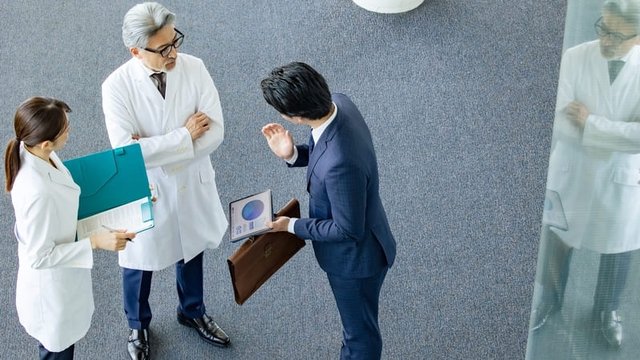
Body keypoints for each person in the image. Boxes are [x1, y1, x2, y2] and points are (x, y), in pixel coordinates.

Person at [101, 2, 230, 359]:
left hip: (190, 183)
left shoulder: (195, 67)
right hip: (145, 189)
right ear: (136, 51)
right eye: (163, 49)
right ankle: (138, 324)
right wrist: (185, 137)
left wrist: (155, 149)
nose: (174, 53)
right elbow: (126, 151)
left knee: (191, 250)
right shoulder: (115, 86)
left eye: (176, 41)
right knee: (138, 263)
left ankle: (192, 311)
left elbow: (216, 132)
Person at [260, 62, 396, 360]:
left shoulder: (340, 164)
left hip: (356, 262)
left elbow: (347, 229)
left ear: (294, 117)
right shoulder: (339, 104)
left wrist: (290, 226)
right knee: (361, 324)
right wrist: (293, 153)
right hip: (372, 236)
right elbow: (323, 149)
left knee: (359, 336)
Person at [531, 0, 640, 348]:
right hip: (572, 169)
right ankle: (550, 299)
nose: (606, 40)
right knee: (558, 239)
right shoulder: (576, 56)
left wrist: (590, 124)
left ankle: (605, 310)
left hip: (620, 177)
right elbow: (558, 121)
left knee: (617, 251)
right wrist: (616, 134)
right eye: (603, 29)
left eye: (617, 36)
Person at [4, 97, 134, 360]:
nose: (70, 131)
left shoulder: (34, 151)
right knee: (57, 353)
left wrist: (132, 193)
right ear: (46, 143)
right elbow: (40, 256)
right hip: (51, 295)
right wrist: (96, 242)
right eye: (65, 129)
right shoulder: (37, 192)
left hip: (62, 279)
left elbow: (68, 194)